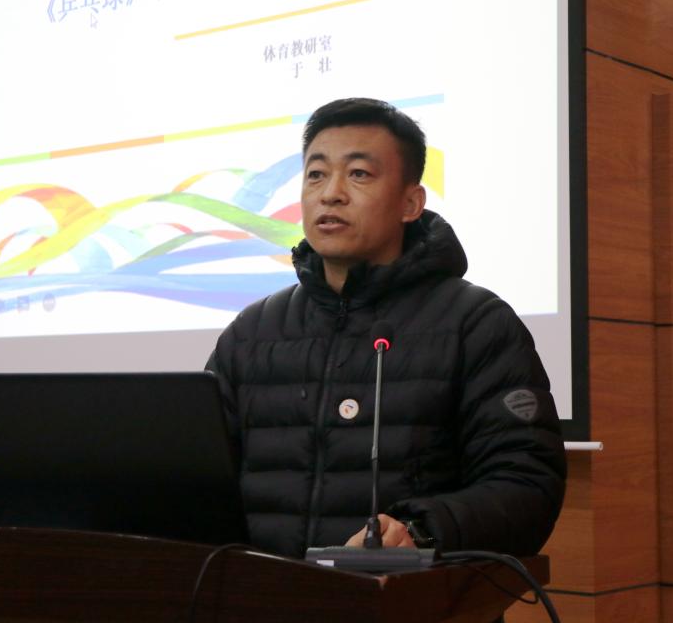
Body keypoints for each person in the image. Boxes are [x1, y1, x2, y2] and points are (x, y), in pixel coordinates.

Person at [207, 98, 566, 559]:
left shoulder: (475, 324)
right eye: (316, 174)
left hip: (409, 595)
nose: (331, 193)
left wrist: (418, 534)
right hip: (266, 596)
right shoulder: (253, 332)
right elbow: (198, 479)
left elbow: (525, 485)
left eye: (358, 174)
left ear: (410, 203)